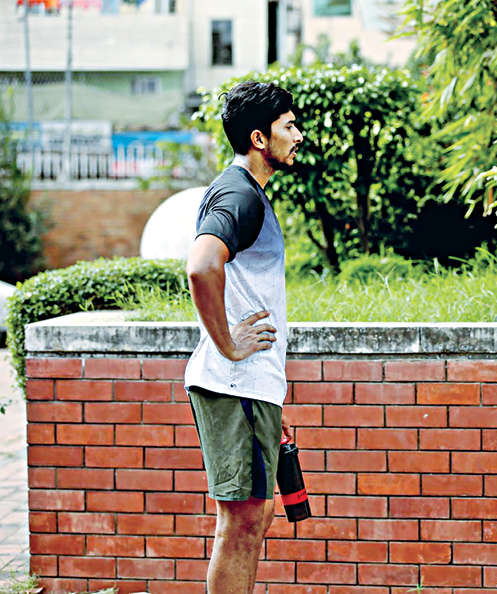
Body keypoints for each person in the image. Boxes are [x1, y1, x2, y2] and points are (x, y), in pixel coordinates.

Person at [183, 80, 303, 594]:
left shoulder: (244, 193)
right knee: (244, 521)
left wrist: (270, 392)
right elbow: (201, 266)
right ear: (259, 138)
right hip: (235, 384)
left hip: (250, 388)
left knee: (254, 517)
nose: (298, 135)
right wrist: (228, 346)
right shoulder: (239, 194)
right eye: (288, 126)